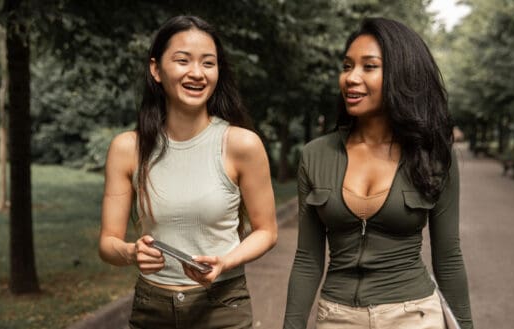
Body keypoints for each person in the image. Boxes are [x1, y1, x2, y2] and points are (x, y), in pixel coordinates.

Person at [283, 18, 473, 329]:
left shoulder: (434, 154)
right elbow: (307, 259)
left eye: (368, 67)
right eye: (347, 66)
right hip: (337, 317)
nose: (351, 78)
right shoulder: (315, 154)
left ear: (401, 75)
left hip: (415, 316)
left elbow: (448, 258)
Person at [99, 15, 277, 329]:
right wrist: (131, 252)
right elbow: (108, 243)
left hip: (223, 305)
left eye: (208, 63)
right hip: (151, 308)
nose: (197, 73)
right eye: (183, 61)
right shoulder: (127, 148)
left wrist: (225, 261)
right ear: (156, 69)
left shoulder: (242, 145)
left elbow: (267, 231)